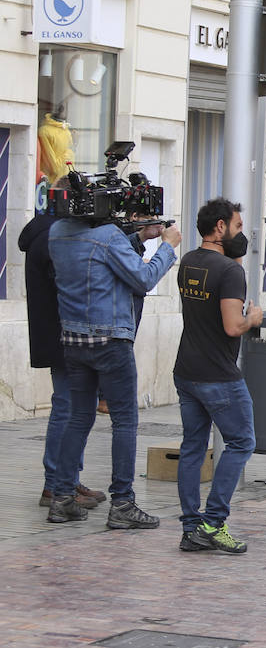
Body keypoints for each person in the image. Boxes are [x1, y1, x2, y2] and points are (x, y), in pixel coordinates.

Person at [46, 204, 181, 527]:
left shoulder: (58, 233)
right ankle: (123, 503)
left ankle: (61, 498)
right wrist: (167, 246)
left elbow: (100, 258)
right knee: (124, 422)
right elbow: (144, 278)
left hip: (74, 339)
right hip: (111, 341)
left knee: (78, 418)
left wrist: (135, 235)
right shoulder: (107, 236)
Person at [174, 198, 262, 554]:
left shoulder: (189, 262)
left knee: (193, 448)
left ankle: (191, 528)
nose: (243, 234)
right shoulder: (230, 273)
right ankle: (213, 522)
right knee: (242, 442)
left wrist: (235, 263)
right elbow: (231, 326)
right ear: (221, 227)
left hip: (187, 371)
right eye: (238, 227)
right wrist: (253, 319)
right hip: (218, 376)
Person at [21, 212, 105, 511]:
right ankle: (57, 483)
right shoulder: (52, 237)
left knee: (75, 408)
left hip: (64, 333)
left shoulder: (50, 233)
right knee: (68, 408)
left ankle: (67, 478)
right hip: (64, 334)